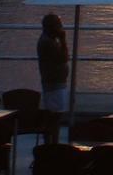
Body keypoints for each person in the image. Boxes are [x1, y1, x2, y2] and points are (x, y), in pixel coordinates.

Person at [37, 13, 69, 144]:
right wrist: (63, 39)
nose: (61, 28)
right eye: (59, 25)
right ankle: (52, 144)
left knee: (54, 116)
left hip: (55, 84)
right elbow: (63, 58)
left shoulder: (47, 40)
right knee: (55, 116)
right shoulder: (48, 42)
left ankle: (50, 142)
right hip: (54, 85)